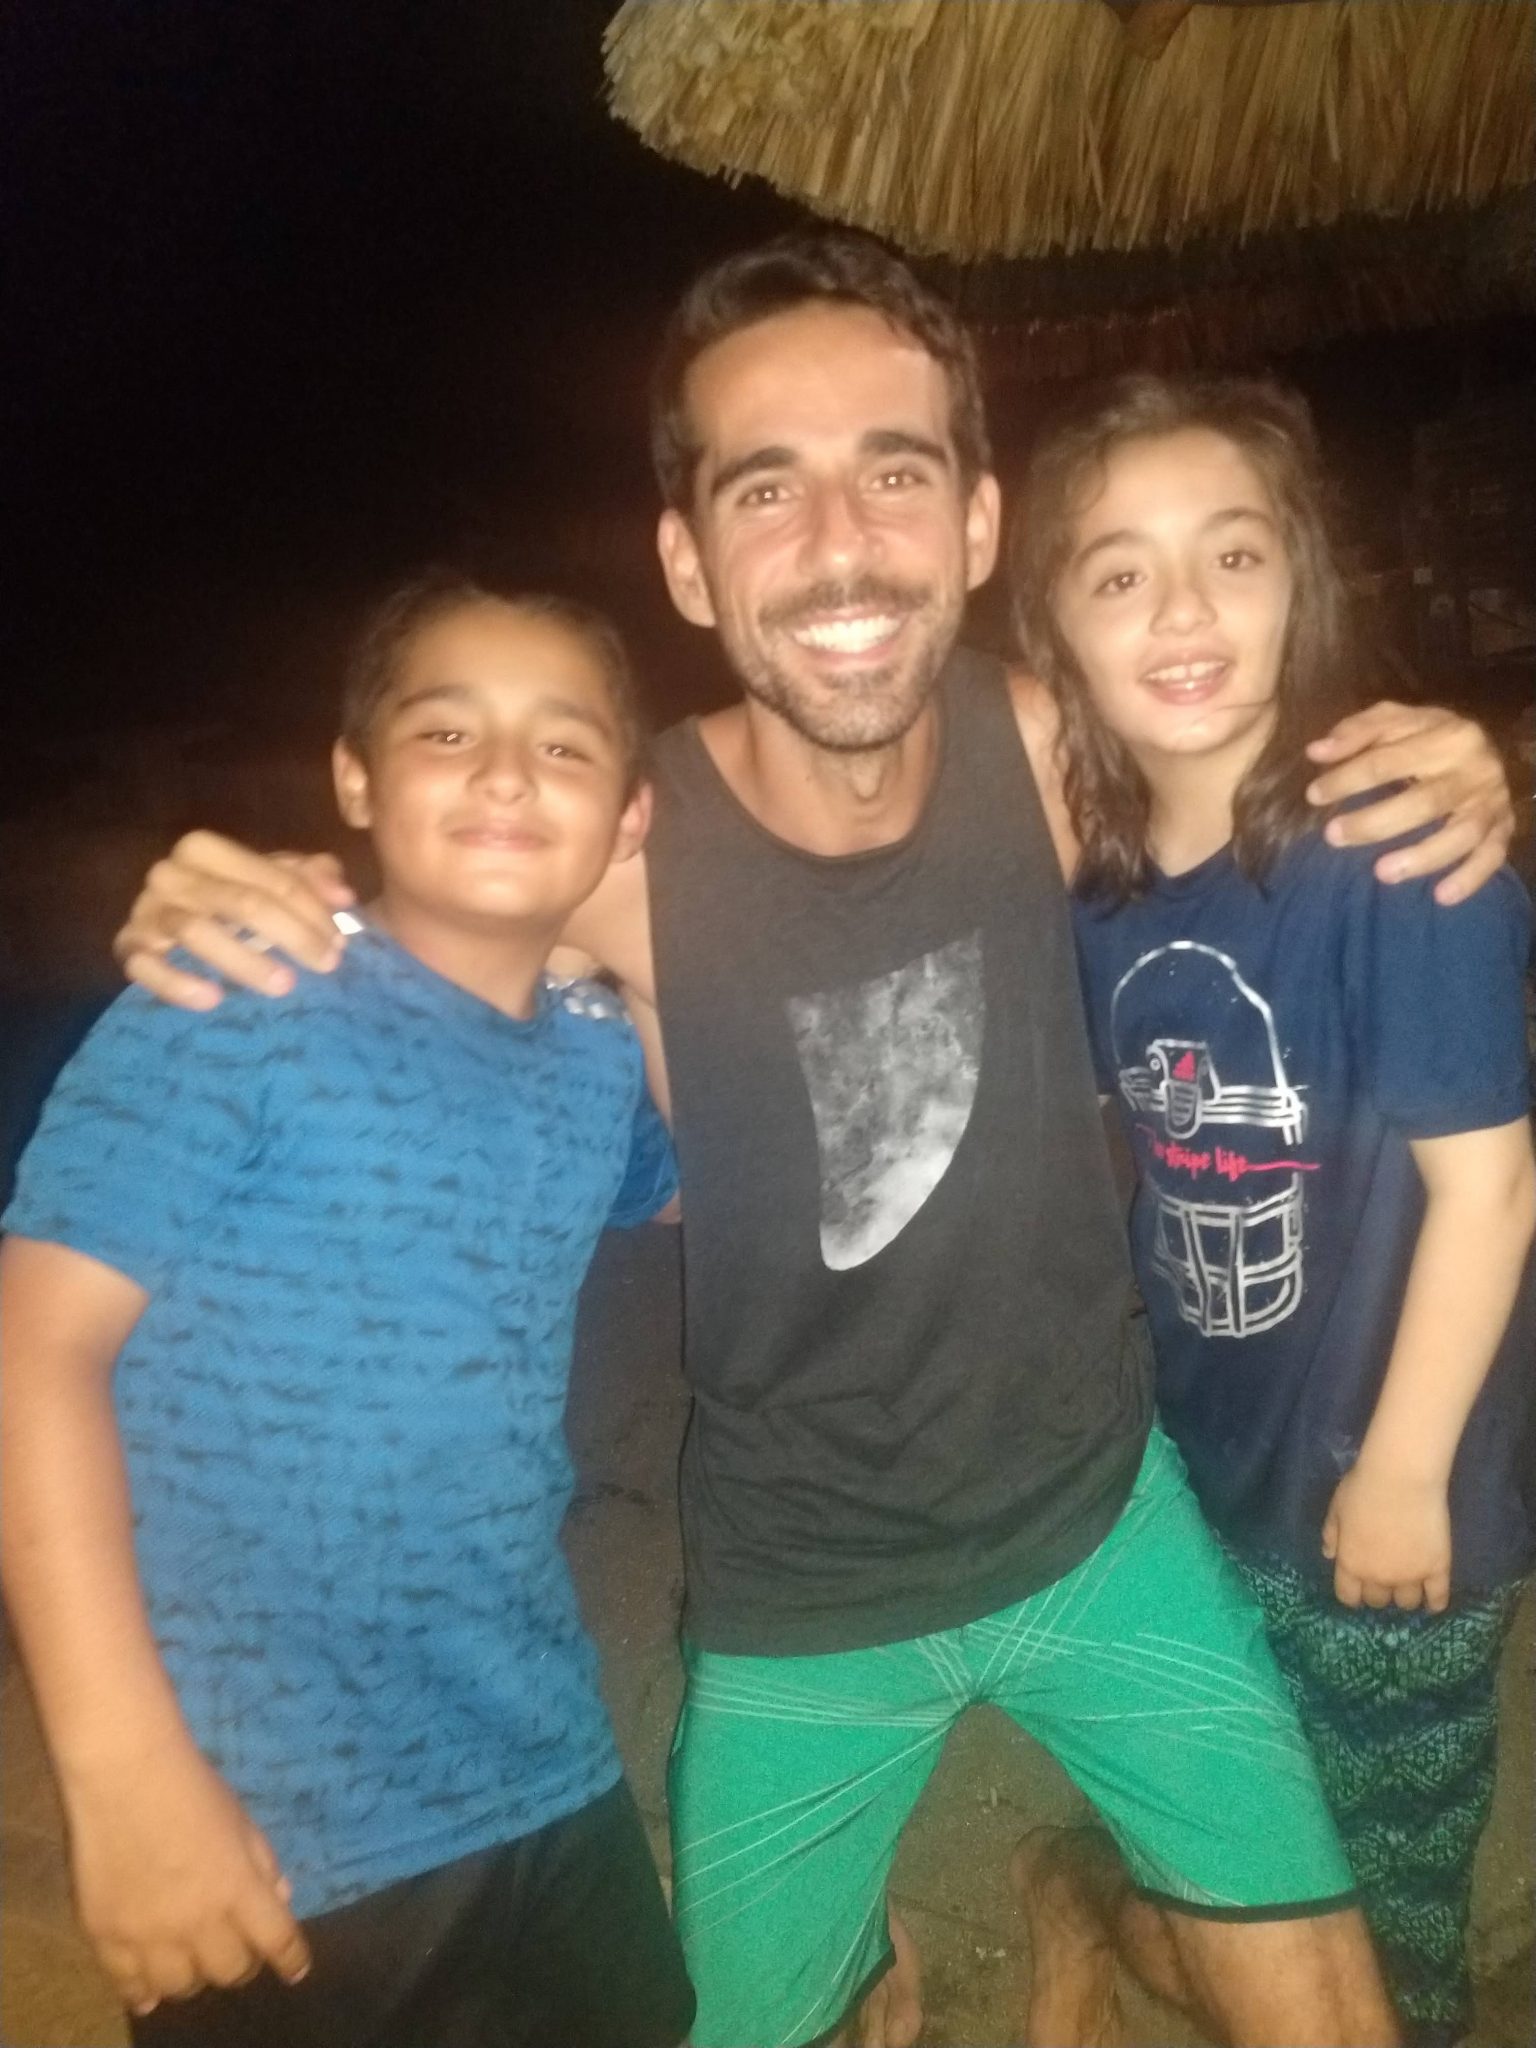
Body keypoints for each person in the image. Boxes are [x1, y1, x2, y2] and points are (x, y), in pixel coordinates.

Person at [109, 235, 1517, 2048]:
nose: (842, 541)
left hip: (1104, 1520)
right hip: (798, 1595)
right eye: (768, 487)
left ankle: (1043, 1909)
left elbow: (1238, 753)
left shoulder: (1046, 746)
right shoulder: (618, 856)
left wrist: (1446, 761)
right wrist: (246, 896)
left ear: (981, 524)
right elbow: (407, 914)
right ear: (688, 559)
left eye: (895, 471)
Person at [0, 575, 695, 2048]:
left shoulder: (590, 1057)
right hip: (271, 1813)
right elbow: (31, 1349)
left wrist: (628, 955)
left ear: (630, 816)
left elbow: (691, 1182)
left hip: (537, 1742)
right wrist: (121, 1776)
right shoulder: (238, 996)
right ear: (354, 780)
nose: (504, 773)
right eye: (446, 732)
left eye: (565, 746)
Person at [1009, 372, 1535, 2048]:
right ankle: (1091, 1900)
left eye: (1232, 555)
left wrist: (1405, 1471)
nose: (1183, 610)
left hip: (1402, 1500)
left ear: (1300, 578)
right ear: (1054, 631)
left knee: (1390, 1928)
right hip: (1195, 1469)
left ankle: (1109, 1909)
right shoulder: (1088, 888)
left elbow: (1491, 1189)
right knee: (1240, 1866)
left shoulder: (1397, 855)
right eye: (1119, 574)